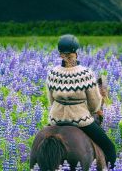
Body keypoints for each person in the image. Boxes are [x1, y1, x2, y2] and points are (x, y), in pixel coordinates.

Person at [47, 34, 117, 168]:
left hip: (55, 119)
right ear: (76, 53)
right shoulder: (85, 74)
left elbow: (51, 100)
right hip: (80, 120)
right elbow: (95, 103)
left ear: (60, 53)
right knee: (109, 148)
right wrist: (92, 111)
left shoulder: (52, 73)